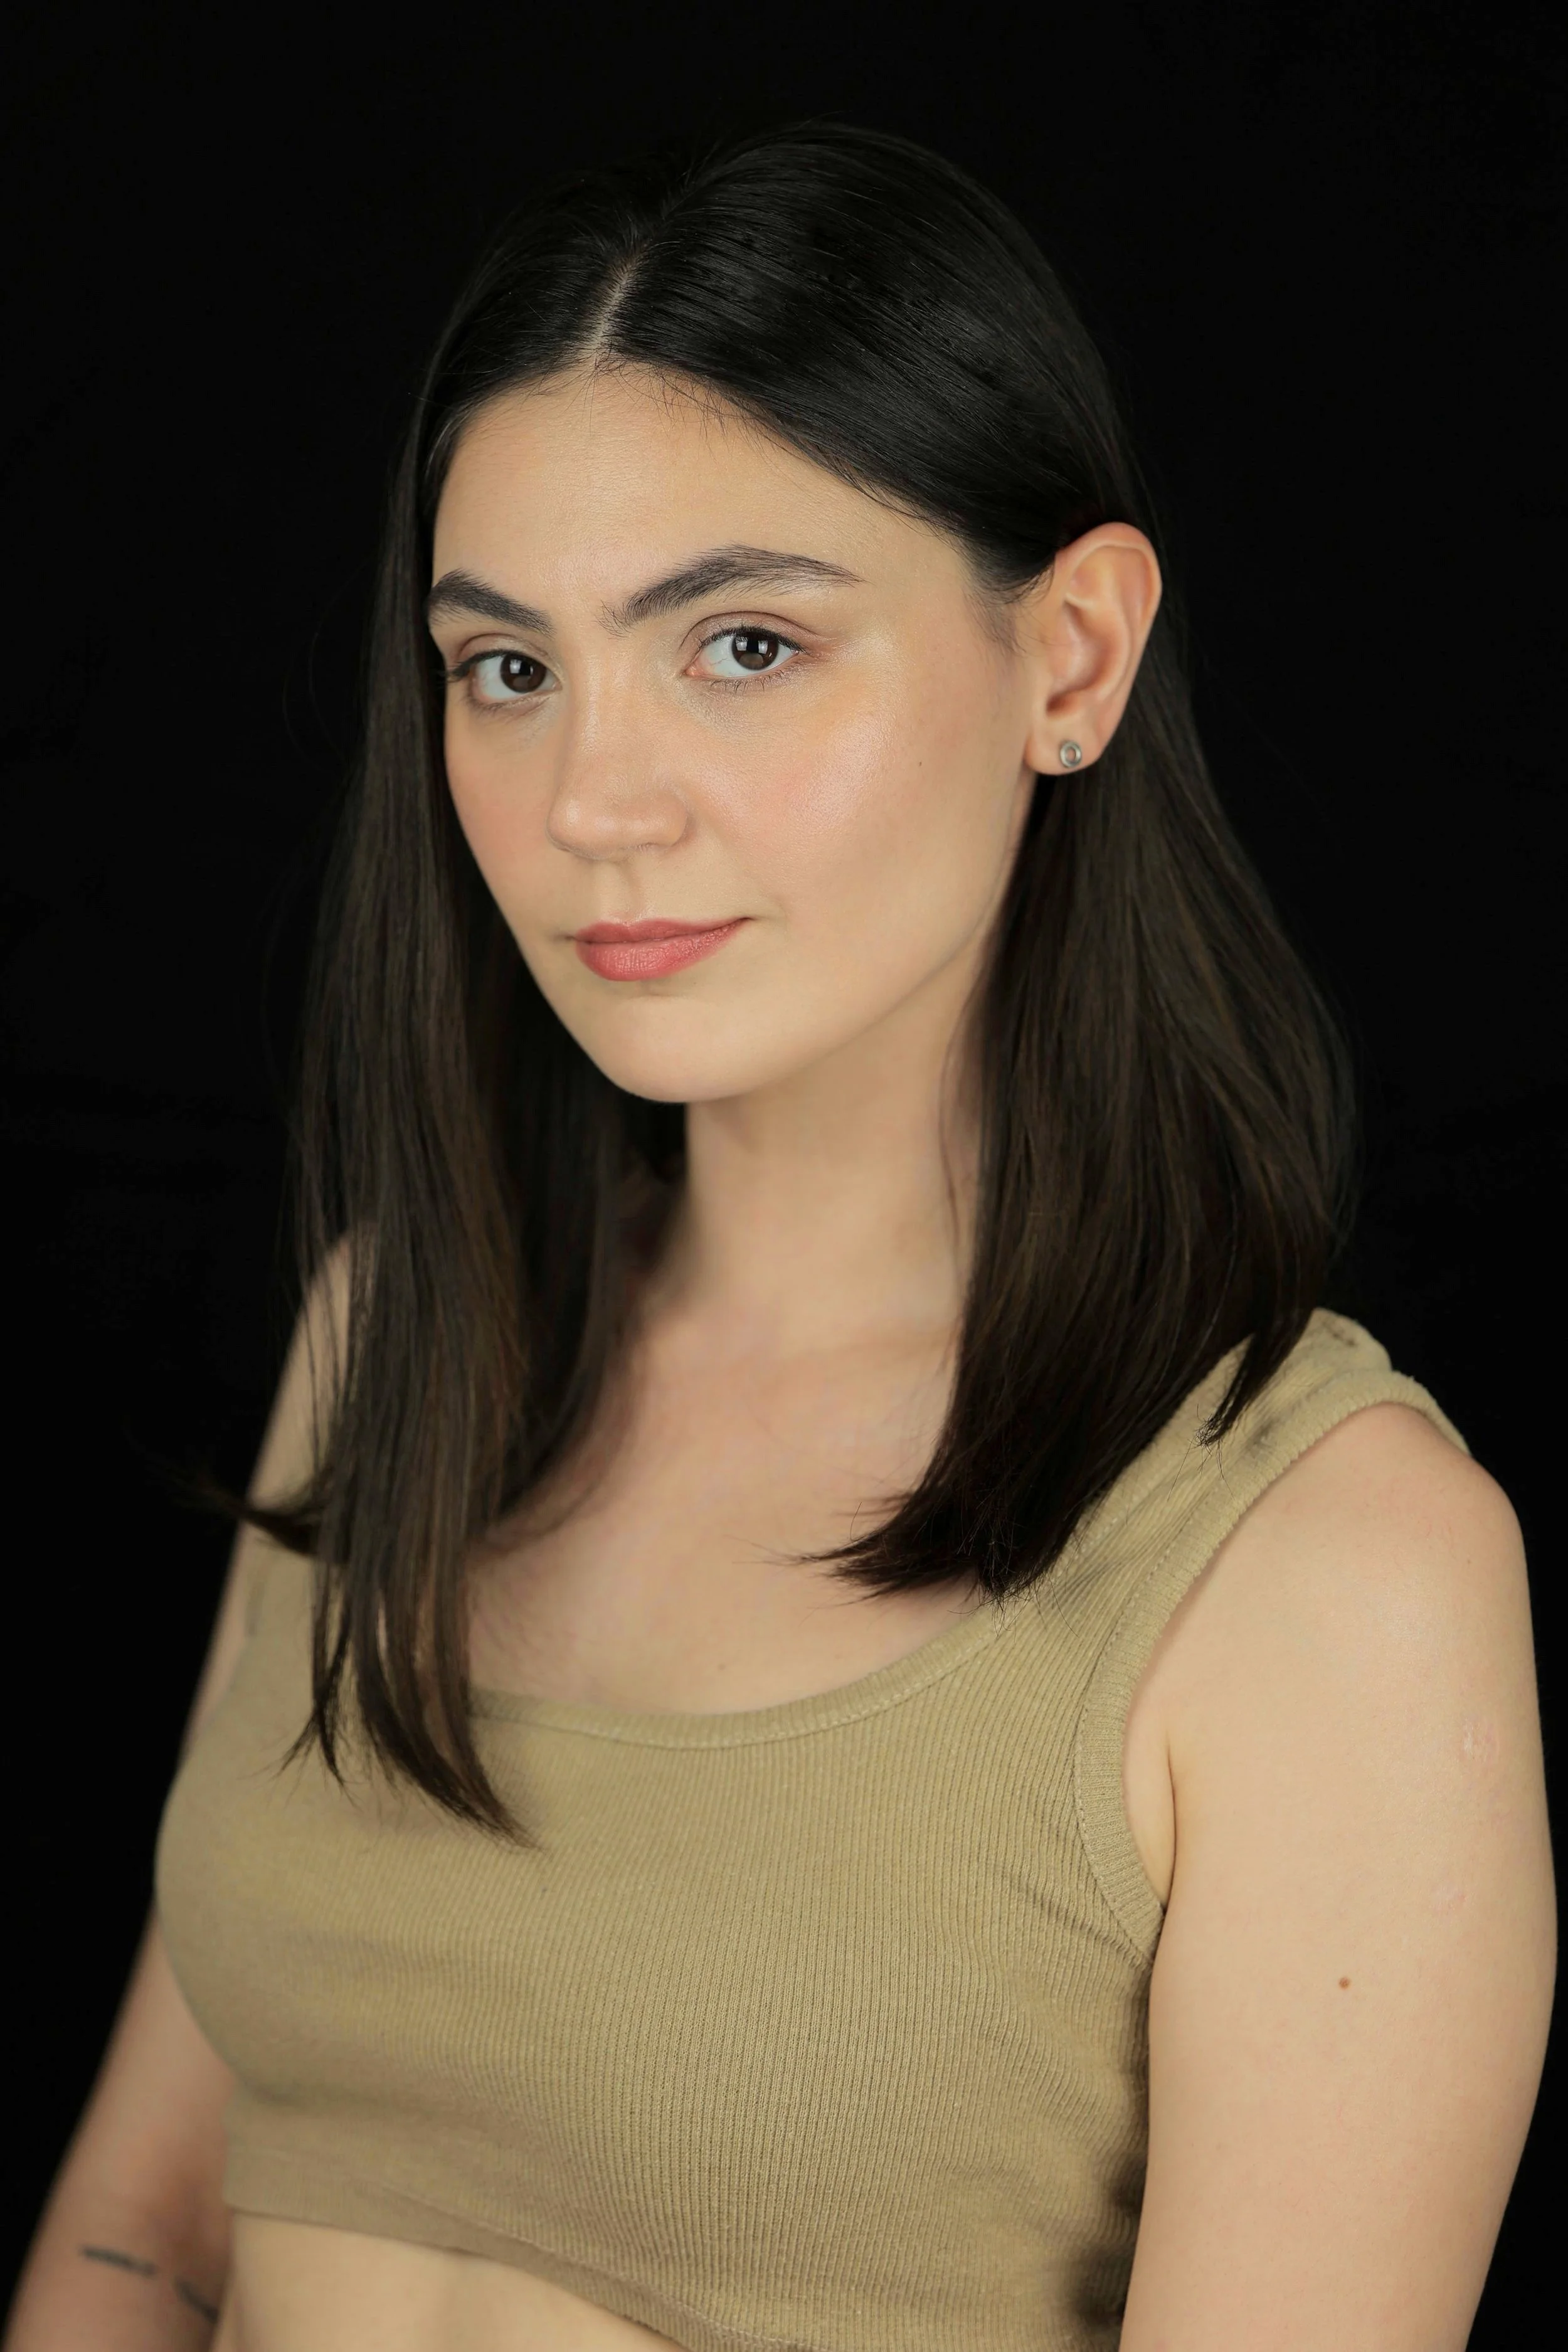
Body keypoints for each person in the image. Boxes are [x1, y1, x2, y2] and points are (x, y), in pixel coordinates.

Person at [4, 122, 1553, 2352]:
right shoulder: (399, 1343)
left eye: (741, 643)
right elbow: (146, 2218)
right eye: (505, 668)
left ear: (1073, 658)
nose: (591, 803)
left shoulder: (1329, 1562)